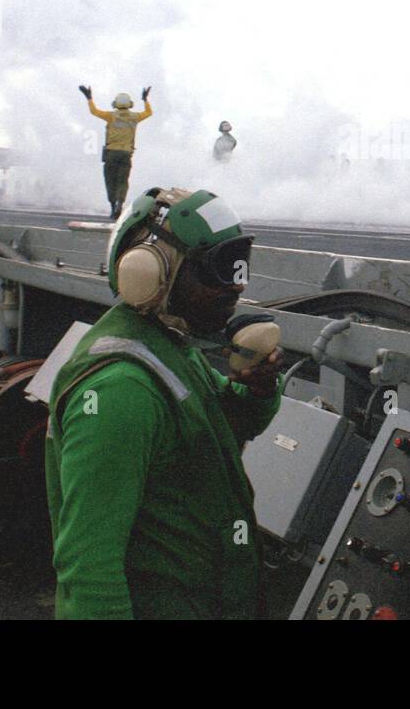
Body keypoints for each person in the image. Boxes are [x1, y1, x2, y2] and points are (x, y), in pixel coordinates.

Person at [45, 187, 282, 619]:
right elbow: (89, 571)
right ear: (151, 274)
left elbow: (219, 428)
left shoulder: (169, 347)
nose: (237, 285)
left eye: (239, 265)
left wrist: (259, 390)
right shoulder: (121, 393)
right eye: (217, 270)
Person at [81, 84, 153, 220]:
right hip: (126, 154)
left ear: (116, 104)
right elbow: (149, 113)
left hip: (111, 153)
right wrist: (145, 100)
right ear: (130, 104)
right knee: (122, 181)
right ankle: (120, 202)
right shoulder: (135, 117)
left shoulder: (111, 116)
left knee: (110, 180)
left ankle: (113, 206)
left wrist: (89, 98)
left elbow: (94, 112)